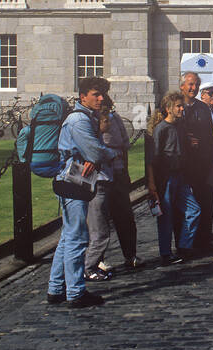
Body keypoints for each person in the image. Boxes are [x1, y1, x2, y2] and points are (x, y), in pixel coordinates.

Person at [46, 76, 115, 307]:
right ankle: (75, 292)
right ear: (82, 96)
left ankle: (56, 289)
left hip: (74, 179)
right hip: (73, 180)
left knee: (67, 237)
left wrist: (95, 156)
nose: (101, 98)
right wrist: (107, 155)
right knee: (77, 238)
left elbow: (93, 153)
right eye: (96, 94)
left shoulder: (86, 118)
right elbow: (96, 152)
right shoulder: (79, 120)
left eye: (102, 93)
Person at [84, 87, 140, 280]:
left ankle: (130, 255)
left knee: (125, 217)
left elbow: (124, 146)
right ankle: (98, 260)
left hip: (117, 173)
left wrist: (124, 171)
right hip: (100, 178)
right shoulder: (89, 122)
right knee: (99, 220)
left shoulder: (115, 119)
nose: (104, 106)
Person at [146, 92, 190, 265]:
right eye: (178, 106)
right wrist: (152, 184)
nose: (181, 109)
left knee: (194, 210)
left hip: (181, 175)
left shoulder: (180, 125)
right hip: (166, 178)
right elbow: (152, 159)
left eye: (182, 106)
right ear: (168, 109)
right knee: (166, 217)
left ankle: (184, 246)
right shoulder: (161, 129)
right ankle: (166, 253)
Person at [178, 71, 213, 255]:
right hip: (182, 163)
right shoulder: (174, 106)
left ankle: (203, 239)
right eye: (190, 84)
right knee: (183, 204)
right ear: (182, 86)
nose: (193, 88)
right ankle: (183, 242)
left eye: (195, 84)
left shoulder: (203, 108)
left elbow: (209, 135)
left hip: (202, 162)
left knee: (206, 201)